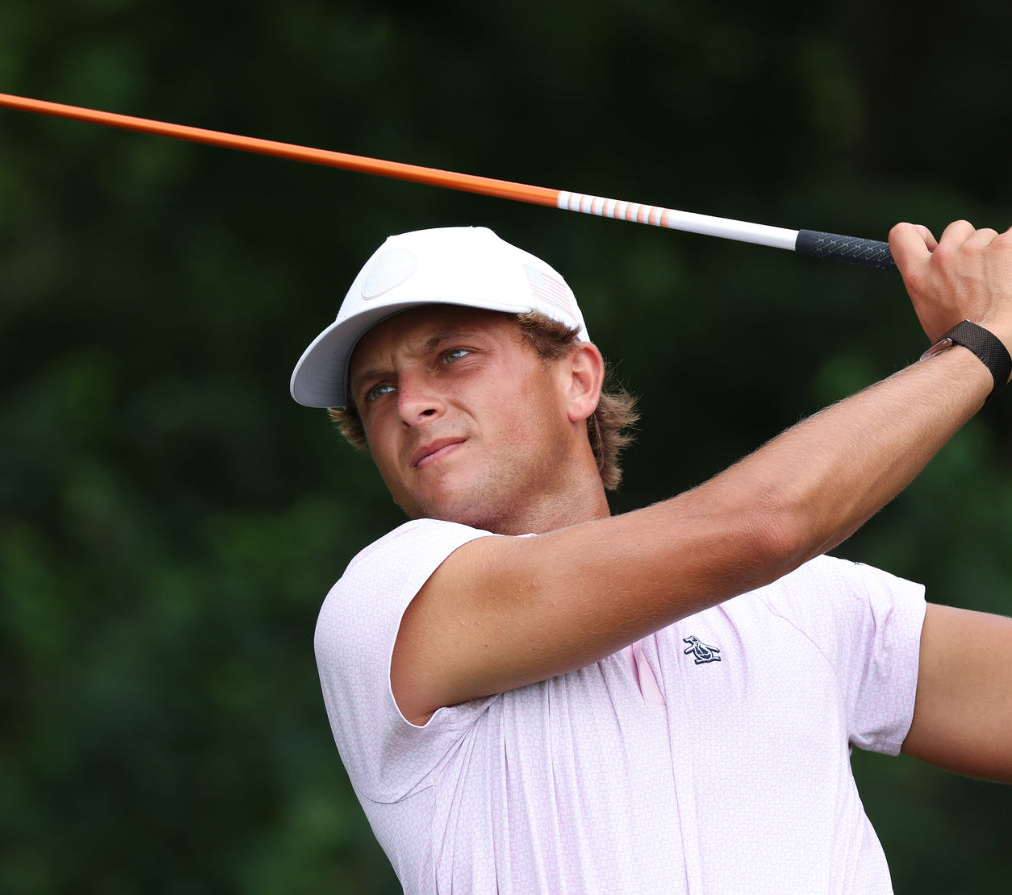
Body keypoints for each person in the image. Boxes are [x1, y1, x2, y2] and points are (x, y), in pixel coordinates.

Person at [288, 223, 1012, 894]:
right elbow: (766, 524)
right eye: (377, 390)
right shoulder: (390, 599)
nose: (409, 404)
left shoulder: (803, 600)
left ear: (578, 378)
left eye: (453, 356)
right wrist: (982, 343)